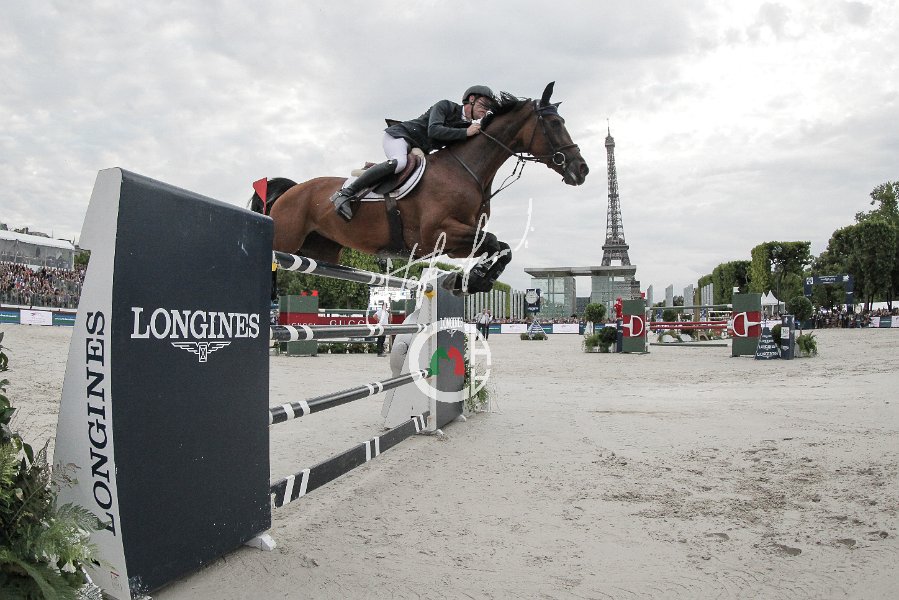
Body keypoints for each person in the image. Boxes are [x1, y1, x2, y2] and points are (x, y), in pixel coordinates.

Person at [331, 85, 497, 221]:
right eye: (484, 104)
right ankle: (345, 193)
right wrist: (465, 133)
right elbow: (434, 130)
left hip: (417, 149)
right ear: (471, 99)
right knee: (400, 163)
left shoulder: (466, 126)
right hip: (400, 136)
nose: (486, 109)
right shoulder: (445, 106)